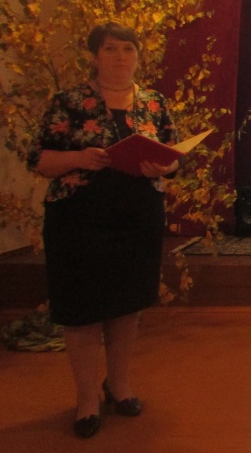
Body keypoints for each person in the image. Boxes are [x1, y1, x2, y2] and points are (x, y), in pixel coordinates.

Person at [26, 22, 179, 438]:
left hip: (138, 216)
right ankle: (86, 398)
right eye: (111, 49)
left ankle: (119, 384)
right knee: (82, 310)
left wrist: (162, 165)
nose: (120, 56)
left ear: (138, 55)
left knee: (128, 304)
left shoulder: (153, 102)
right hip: (79, 219)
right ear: (95, 56)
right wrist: (78, 158)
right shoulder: (69, 101)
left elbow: (173, 154)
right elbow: (38, 159)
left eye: (128, 48)